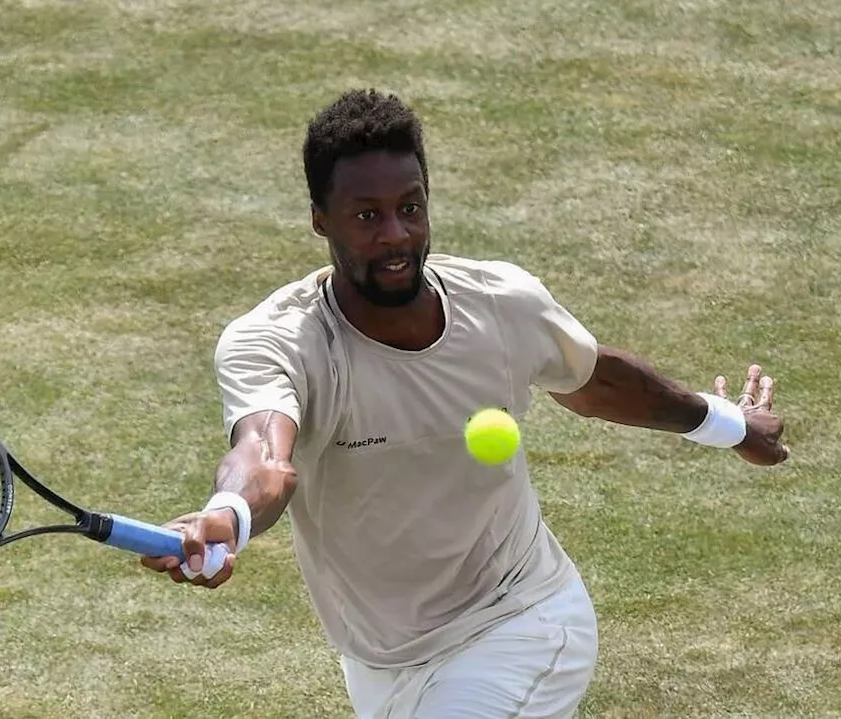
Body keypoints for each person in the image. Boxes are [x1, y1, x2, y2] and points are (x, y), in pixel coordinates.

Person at [138, 88, 789, 718]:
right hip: (379, 661)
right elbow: (263, 457)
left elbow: (598, 381)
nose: (396, 234)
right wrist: (228, 513)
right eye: (367, 216)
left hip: (521, 621)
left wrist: (729, 424)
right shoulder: (276, 342)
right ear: (319, 219)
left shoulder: (503, 305)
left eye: (411, 207)